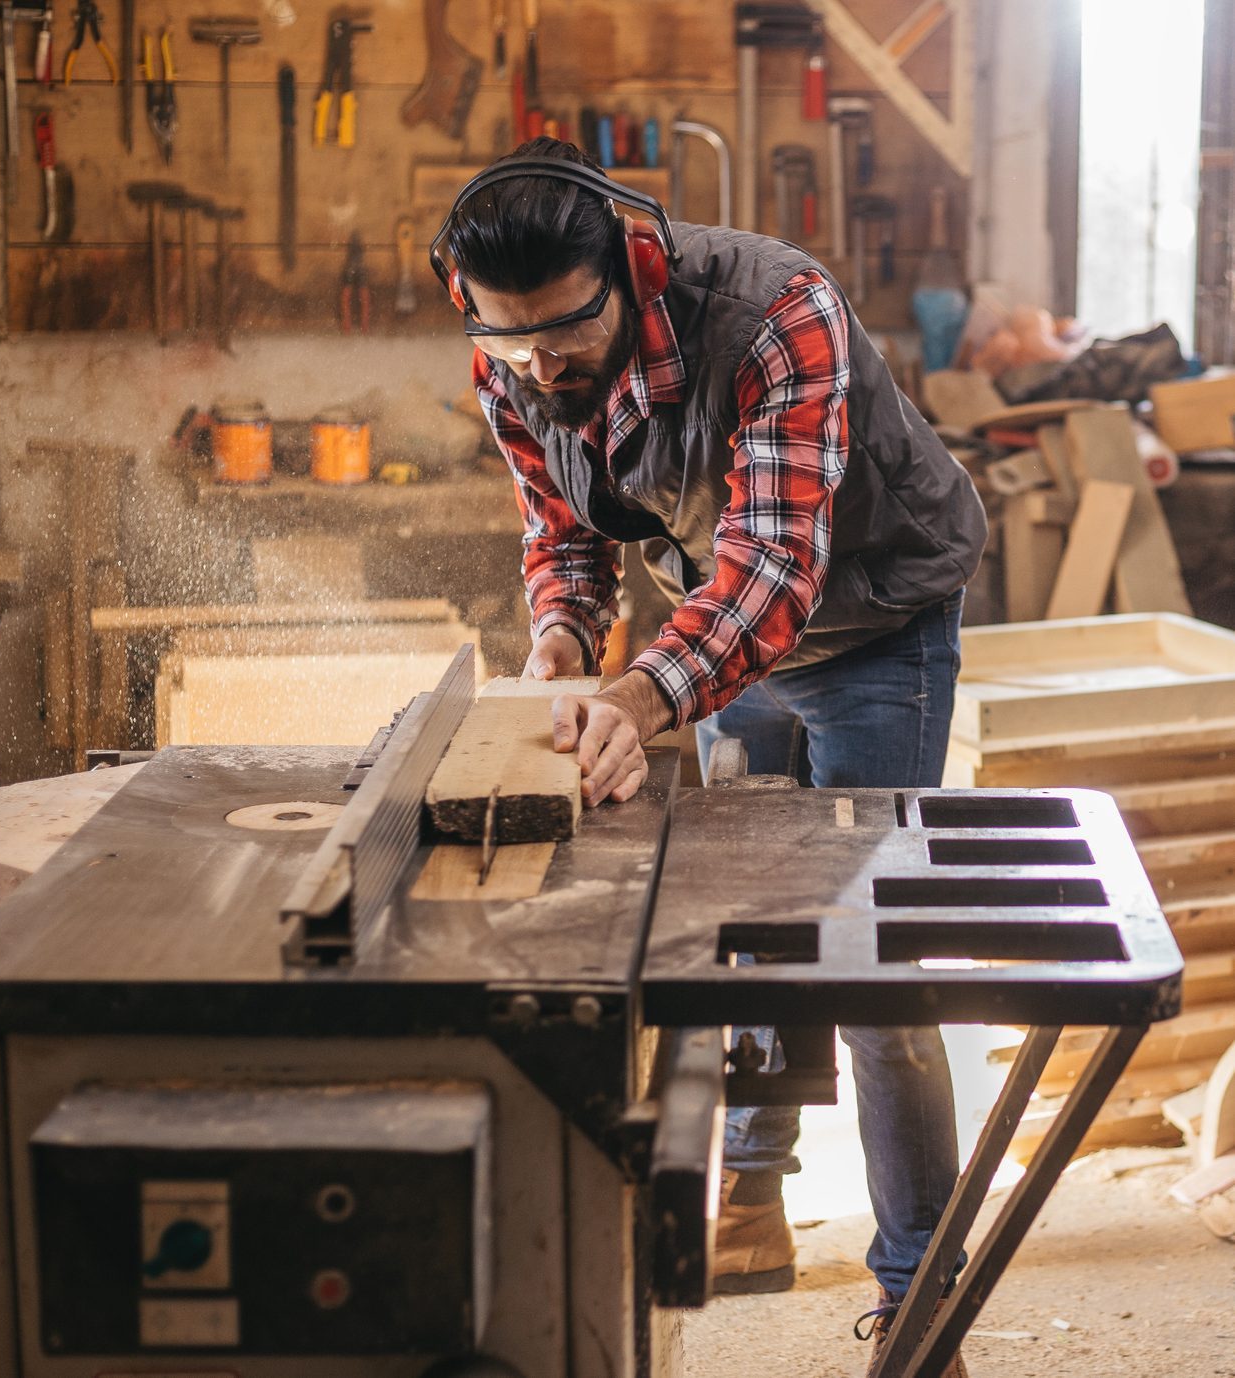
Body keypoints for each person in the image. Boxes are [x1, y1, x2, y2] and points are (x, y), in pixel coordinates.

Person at [433, 138, 986, 1377]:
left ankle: (918, 1298)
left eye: (563, 340)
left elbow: (779, 570)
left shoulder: (779, 310)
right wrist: (564, 646)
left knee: (873, 967)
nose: (536, 369)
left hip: (871, 623)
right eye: (510, 345)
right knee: (748, 936)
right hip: (719, 640)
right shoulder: (511, 352)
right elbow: (562, 527)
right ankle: (750, 1203)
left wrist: (642, 691)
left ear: (629, 268)